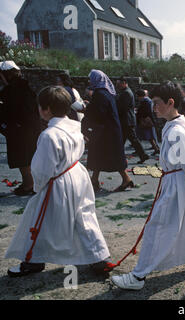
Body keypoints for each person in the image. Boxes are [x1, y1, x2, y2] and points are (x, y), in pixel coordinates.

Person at [110, 81, 185, 290]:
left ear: (170, 103)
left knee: (157, 227)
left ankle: (138, 276)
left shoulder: (177, 129)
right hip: (176, 179)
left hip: (176, 183)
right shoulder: (179, 123)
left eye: (157, 103)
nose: (153, 107)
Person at [5, 86, 111, 277]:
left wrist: (39, 187)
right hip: (78, 175)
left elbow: (42, 168)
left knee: (38, 217)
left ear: (45, 109)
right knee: (84, 216)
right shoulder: (74, 127)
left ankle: (32, 260)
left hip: (58, 180)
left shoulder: (48, 135)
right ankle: (98, 257)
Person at [81, 70, 132, 192]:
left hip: (105, 132)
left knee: (108, 156)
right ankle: (95, 180)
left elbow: (99, 113)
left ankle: (126, 179)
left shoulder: (100, 94)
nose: (89, 81)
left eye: (91, 78)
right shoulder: (107, 92)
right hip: (109, 130)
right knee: (101, 156)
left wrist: (86, 110)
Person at [0, 61, 42, 196]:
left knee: (22, 158)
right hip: (30, 128)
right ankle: (28, 183)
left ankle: (29, 184)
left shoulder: (11, 90)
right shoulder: (25, 87)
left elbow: (10, 111)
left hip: (19, 130)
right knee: (27, 156)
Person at [116, 77, 150, 164]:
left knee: (132, 139)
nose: (117, 85)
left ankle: (143, 154)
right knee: (123, 140)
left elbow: (122, 107)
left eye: (119, 83)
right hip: (126, 120)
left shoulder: (126, 93)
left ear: (124, 83)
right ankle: (119, 157)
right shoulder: (126, 92)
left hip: (126, 120)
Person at [135, 89, 160, 155]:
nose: (137, 98)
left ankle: (156, 149)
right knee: (149, 137)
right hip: (146, 121)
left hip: (145, 121)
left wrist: (138, 113)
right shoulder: (146, 101)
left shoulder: (146, 101)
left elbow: (145, 112)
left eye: (137, 96)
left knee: (149, 137)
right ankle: (156, 149)